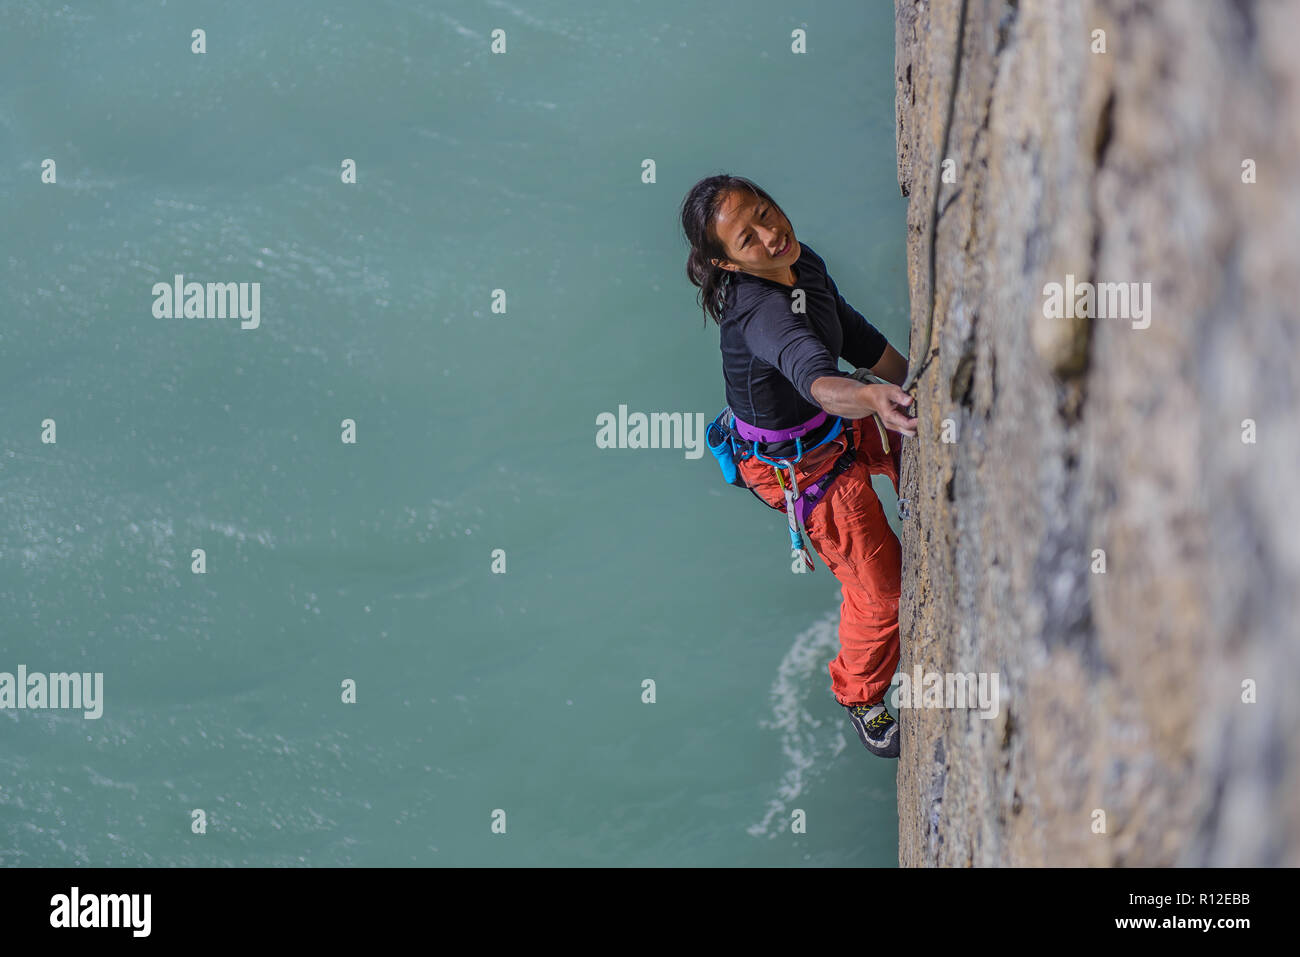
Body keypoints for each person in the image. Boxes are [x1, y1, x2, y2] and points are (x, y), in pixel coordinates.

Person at [680, 174, 917, 759]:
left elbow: (847, 329)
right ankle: (860, 697)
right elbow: (812, 375)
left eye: (766, 212)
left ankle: (906, 485)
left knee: (909, 427)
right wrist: (870, 399)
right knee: (882, 590)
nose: (771, 234)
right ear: (726, 263)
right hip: (802, 466)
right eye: (748, 237)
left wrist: (907, 376)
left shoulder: (800, 260)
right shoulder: (760, 315)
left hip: (836, 419)